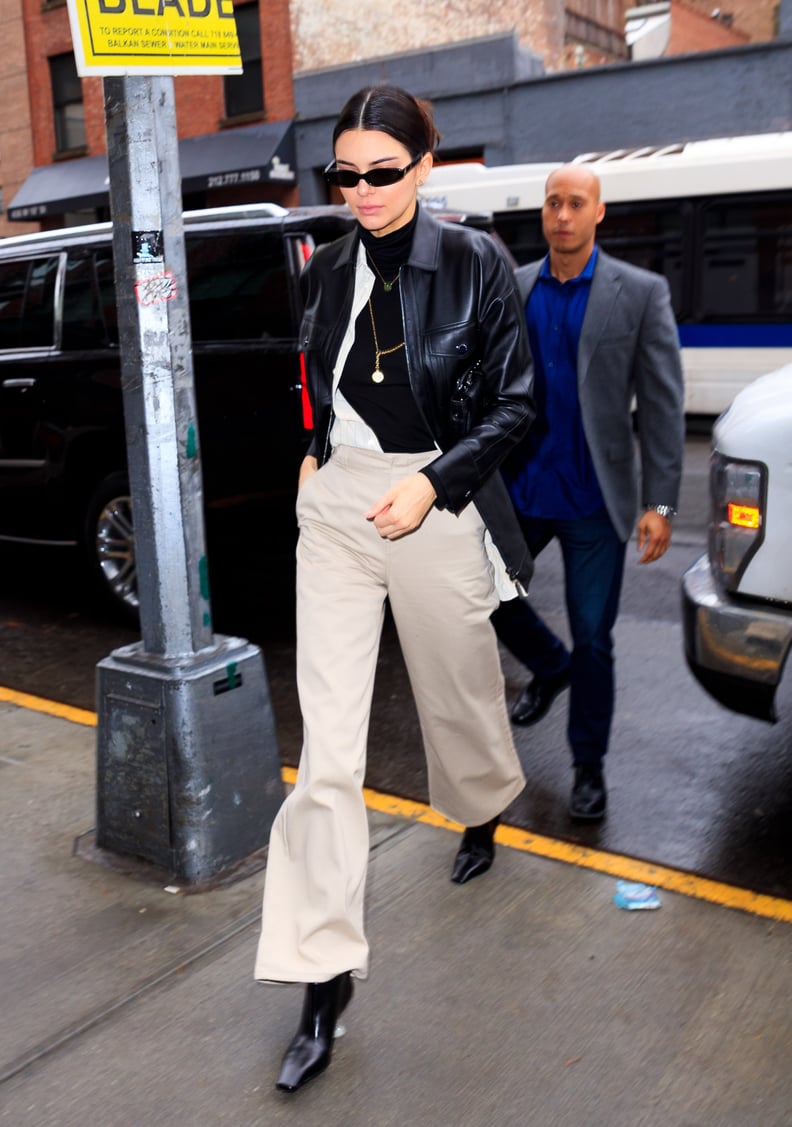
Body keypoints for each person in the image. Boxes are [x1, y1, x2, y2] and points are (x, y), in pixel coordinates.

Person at [253, 84, 535, 1093]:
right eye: (346, 173)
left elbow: (516, 404)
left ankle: (481, 803)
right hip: (339, 509)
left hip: (438, 494)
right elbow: (316, 375)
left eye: (382, 171)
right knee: (327, 753)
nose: (361, 190)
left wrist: (432, 480)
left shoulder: (476, 263)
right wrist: (313, 453)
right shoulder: (325, 268)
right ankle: (321, 975)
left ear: (424, 164)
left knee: (458, 692)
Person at [491, 162, 684, 823]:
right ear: (542, 214)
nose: (563, 214)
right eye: (553, 203)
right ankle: (549, 666)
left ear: (598, 212)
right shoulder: (514, 288)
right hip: (521, 488)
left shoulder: (640, 292)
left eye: (576, 203)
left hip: (596, 500)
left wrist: (660, 503)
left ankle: (588, 768)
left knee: (595, 639)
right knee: (483, 590)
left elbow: (662, 403)